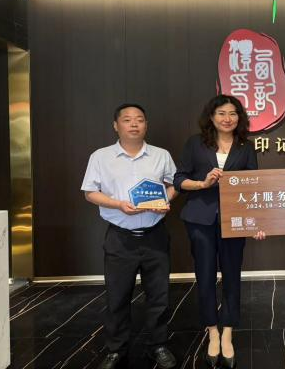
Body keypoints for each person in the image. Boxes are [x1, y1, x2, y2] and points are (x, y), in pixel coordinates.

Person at [81, 103, 177, 369]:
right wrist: (118, 204)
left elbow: (174, 184)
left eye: (139, 119)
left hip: (155, 235)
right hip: (120, 238)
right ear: (116, 125)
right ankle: (116, 349)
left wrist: (165, 200)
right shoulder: (100, 157)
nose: (134, 124)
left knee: (158, 296)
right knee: (117, 296)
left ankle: (158, 345)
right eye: (127, 119)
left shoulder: (161, 155)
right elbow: (90, 192)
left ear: (146, 125)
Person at [173, 94, 263, 368]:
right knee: (205, 274)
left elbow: (254, 185)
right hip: (200, 218)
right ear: (211, 117)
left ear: (240, 118)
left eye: (233, 113)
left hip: (235, 220)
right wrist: (202, 183)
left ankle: (228, 333)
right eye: (221, 113)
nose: (227, 118)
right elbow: (179, 179)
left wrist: (258, 222)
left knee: (232, 275)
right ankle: (212, 331)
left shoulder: (246, 146)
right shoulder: (195, 143)